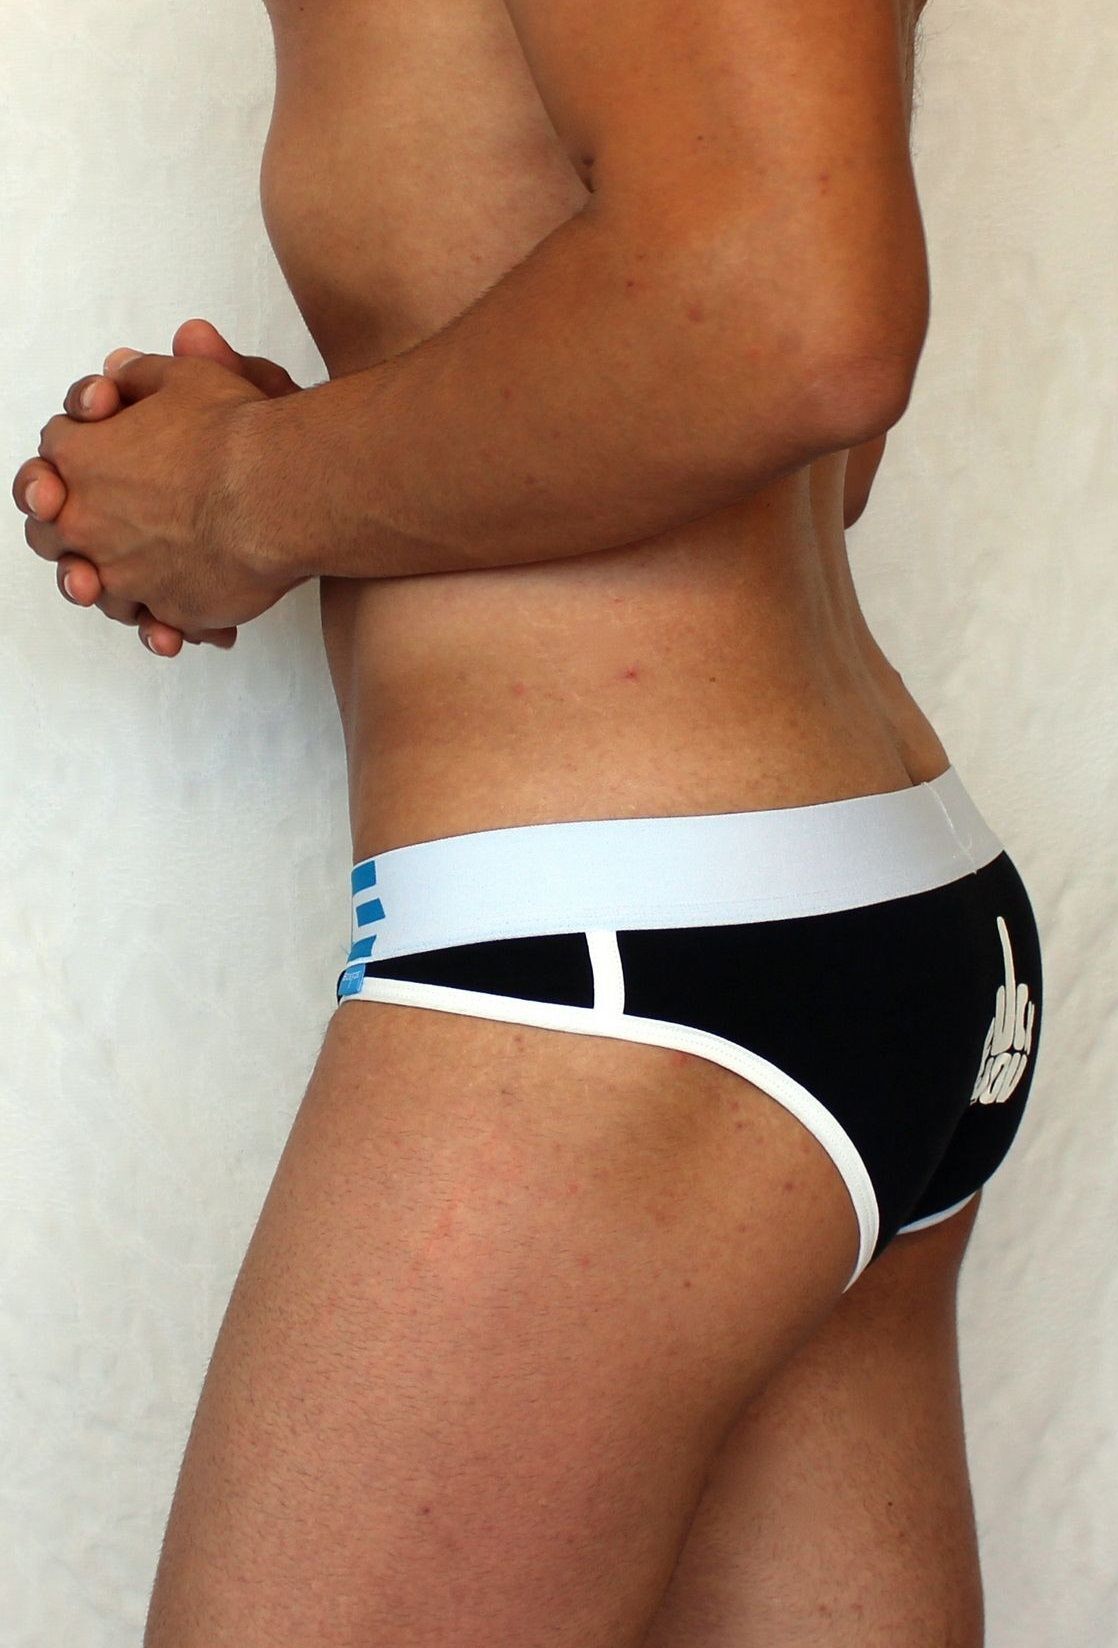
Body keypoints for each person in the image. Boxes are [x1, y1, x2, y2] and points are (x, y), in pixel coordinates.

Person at [14, 0, 1044, 1642]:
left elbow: (794, 322)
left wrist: (242, 495)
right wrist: (317, 451)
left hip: (619, 974)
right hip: (814, 909)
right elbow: (791, 424)